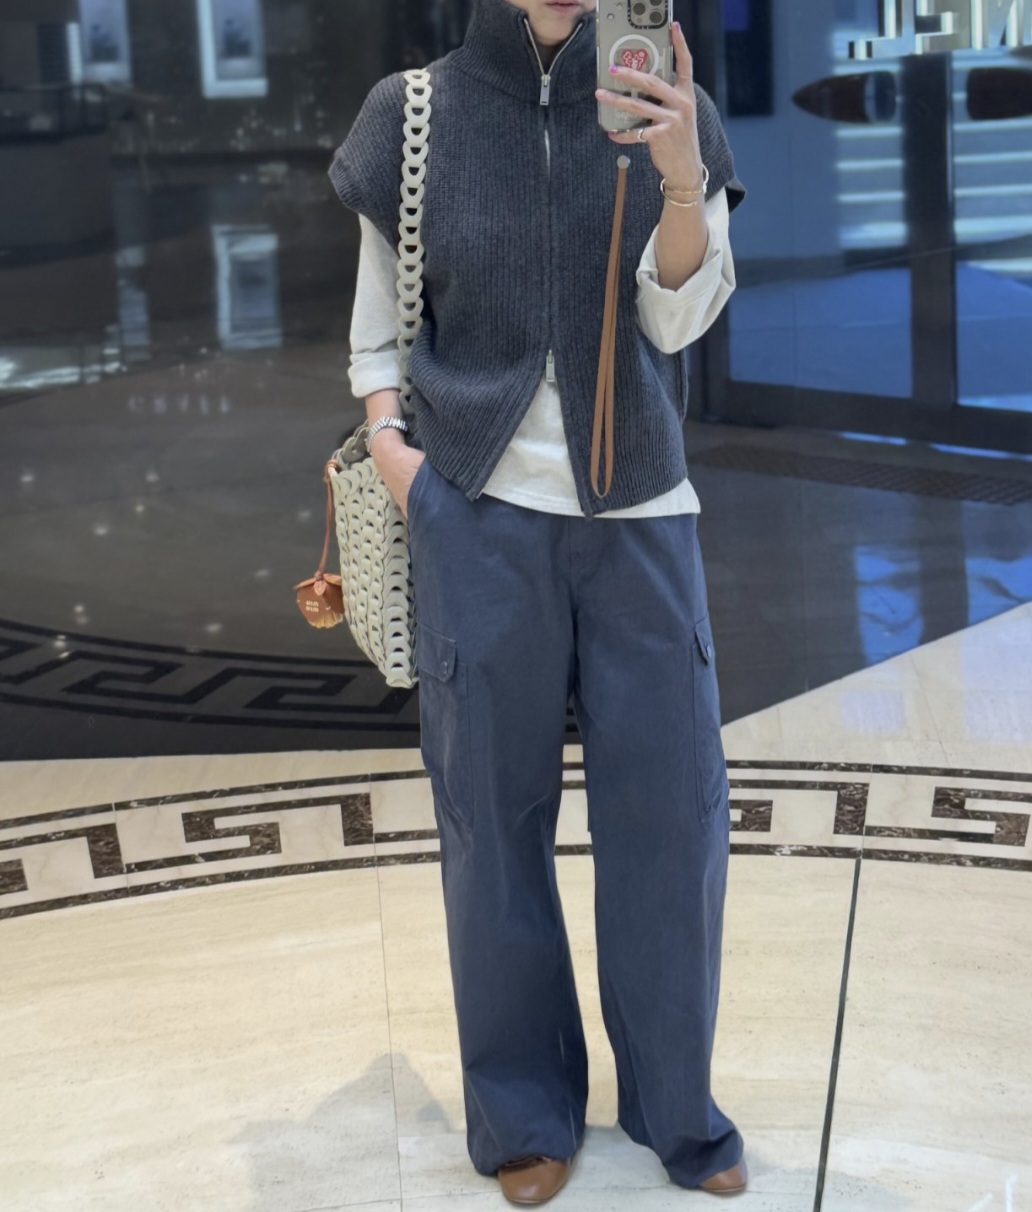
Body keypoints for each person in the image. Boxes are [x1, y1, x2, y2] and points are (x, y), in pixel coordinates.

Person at [329, 0, 747, 1203]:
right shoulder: (416, 112)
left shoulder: (673, 101)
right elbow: (378, 327)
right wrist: (399, 458)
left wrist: (679, 174)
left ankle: (677, 1108)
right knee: (490, 826)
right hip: (478, 511)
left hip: (642, 516)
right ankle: (522, 1113)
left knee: (671, 823)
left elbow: (680, 318)